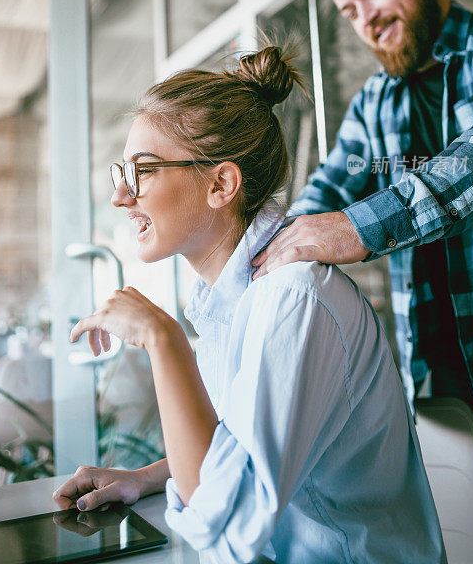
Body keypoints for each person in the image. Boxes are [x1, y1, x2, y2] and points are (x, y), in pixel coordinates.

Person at [53, 47, 446, 564]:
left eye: (143, 171)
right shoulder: (233, 299)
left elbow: (230, 525)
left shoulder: (292, 299)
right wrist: (144, 478)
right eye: (122, 173)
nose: (121, 198)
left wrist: (161, 337)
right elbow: (239, 444)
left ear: (221, 184)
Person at [252, 0, 473, 535]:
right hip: (439, 387)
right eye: (348, 9)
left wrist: (354, 229)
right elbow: (328, 191)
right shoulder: (374, 104)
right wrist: (254, 251)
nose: (363, 16)